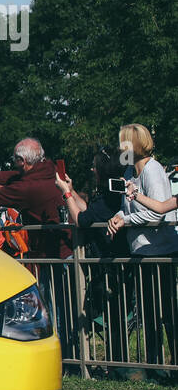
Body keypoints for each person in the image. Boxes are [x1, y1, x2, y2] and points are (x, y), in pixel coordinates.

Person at [0, 138, 73, 356]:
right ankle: (68, 353)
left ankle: (64, 356)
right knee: (63, 307)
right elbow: (13, 176)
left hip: (52, 253)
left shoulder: (29, 188)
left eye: (16, 161)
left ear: (23, 161)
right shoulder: (48, 169)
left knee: (56, 310)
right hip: (62, 249)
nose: (15, 166)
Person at [105, 124, 178, 372]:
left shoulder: (152, 171)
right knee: (148, 314)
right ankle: (155, 366)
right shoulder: (128, 171)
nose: (119, 147)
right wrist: (118, 217)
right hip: (141, 251)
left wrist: (125, 221)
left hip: (160, 251)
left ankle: (171, 367)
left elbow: (157, 212)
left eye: (122, 143)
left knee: (167, 313)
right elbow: (128, 209)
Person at [57, 148, 131, 369]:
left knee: (114, 318)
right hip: (110, 264)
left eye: (95, 166)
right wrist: (72, 190)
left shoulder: (109, 199)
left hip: (111, 266)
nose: (91, 169)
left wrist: (66, 194)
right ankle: (116, 364)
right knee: (114, 319)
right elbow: (90, 212)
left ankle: (117, 365)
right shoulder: (110, 196)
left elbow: (81, 219)